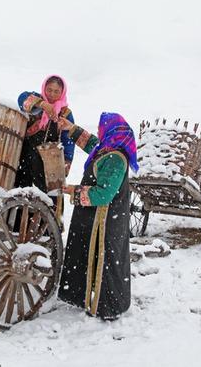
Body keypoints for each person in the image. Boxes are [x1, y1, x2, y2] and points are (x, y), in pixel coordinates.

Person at [57, 112, 139, 320]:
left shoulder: (115, 159)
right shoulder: (107, 150)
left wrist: (72, 191)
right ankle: (87, 298)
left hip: (103, 222)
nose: (99, 132)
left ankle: (107, 306)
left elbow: (103, 194)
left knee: (104, 261)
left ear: (110, 131)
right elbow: (92, 143)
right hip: (94, 218)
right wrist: (71, 129)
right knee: (89, 257)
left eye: (102, 129)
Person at [15, 75, 75, 192]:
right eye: (49, 90)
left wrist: (66, 162)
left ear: (62, 92)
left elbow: (68, 141)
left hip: (49, 162)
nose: (52, 94)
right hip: (26, 156)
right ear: (44, 88)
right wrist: (42, 104)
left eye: (56, 91)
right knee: (21, 191)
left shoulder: (65, 113)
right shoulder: (36, 102)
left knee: (46, 198)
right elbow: (21, 98)